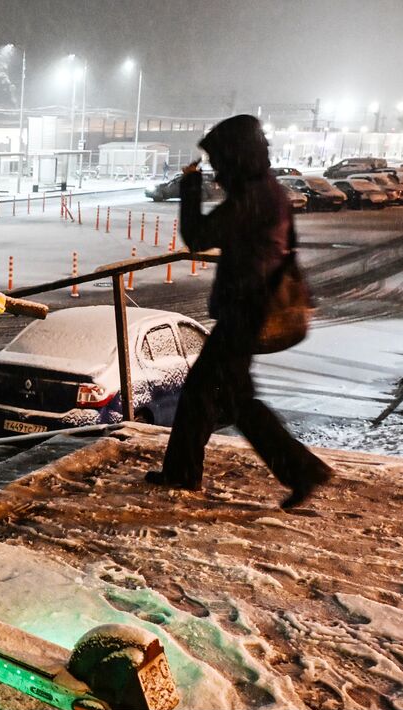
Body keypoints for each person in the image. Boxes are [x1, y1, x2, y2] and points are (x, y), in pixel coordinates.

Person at [146, 114, 332, 509]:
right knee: (212, 395)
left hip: (246, 309)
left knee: (229, 399)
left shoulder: (253, 198)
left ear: (236, 157)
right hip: (250, 306)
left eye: (217, 160)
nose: (215, 169)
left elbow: (198, 236)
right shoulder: (270, 191)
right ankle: (182, 472)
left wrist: (190, 185)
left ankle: (300, 470)